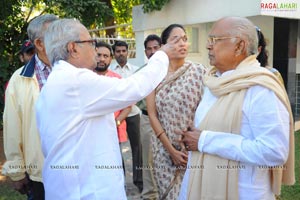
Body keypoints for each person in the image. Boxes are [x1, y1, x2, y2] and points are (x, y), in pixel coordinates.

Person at [35, 18, 180, 200]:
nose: (96, 50)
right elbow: (134, 88)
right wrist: (163, 54)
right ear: (73, 48)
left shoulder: (56, 82)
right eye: (91, 43)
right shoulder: (75, 81)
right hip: (86, 192)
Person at [178, 16, 295, 200]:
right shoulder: (214, 81)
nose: (208, 46)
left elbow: (274, 152)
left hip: (244, 192)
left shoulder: (260, 88)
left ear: (239, 46)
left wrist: (205, 140)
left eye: (214, 40)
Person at [146, 24, 206, 199]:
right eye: (176, 39)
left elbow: (207, 111)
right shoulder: (154, 75)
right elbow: (152, 114)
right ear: (164, 45)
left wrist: (189, 145)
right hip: (164, 151)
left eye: (185, 39)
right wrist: (171, 151)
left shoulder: (198, 72)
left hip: (192, 150)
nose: (182, 43)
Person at [2, 14, 58, 200]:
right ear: (40, 44)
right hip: (40, 171)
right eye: (56, 34)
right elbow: (12, 128)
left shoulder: (76, 69)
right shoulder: (19, 79)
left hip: (78, 166)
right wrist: (17, 171)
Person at [110, 40, 143, 192]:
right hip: (116, 117)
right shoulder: (108, 72)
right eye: (118, 51)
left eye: (123, 51)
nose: (121, 53)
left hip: (134, 114)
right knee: (116, 149)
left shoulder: (136, 71)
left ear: (128, 52)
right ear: (114, 53)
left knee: (137, 148)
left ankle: (139, 181)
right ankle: (120, 181)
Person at [94, 41, 131, 175]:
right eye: (99, 55)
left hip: (113, 132)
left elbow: (127, 106)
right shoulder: (86, 77)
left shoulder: (117, 79)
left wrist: (115, 123)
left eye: (106, 56)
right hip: (92, 133)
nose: (102, 59)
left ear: (110, 58)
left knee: (116, 167)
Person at [137, 34, 162, 199]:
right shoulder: (141, 73)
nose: (152, 52)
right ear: (145, 52)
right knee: (148, 159)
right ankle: (149, 194)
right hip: (147, 120)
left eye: (156, 48)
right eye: (149, 49)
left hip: (168, 119)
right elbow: (134, 97)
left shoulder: (170, 70)